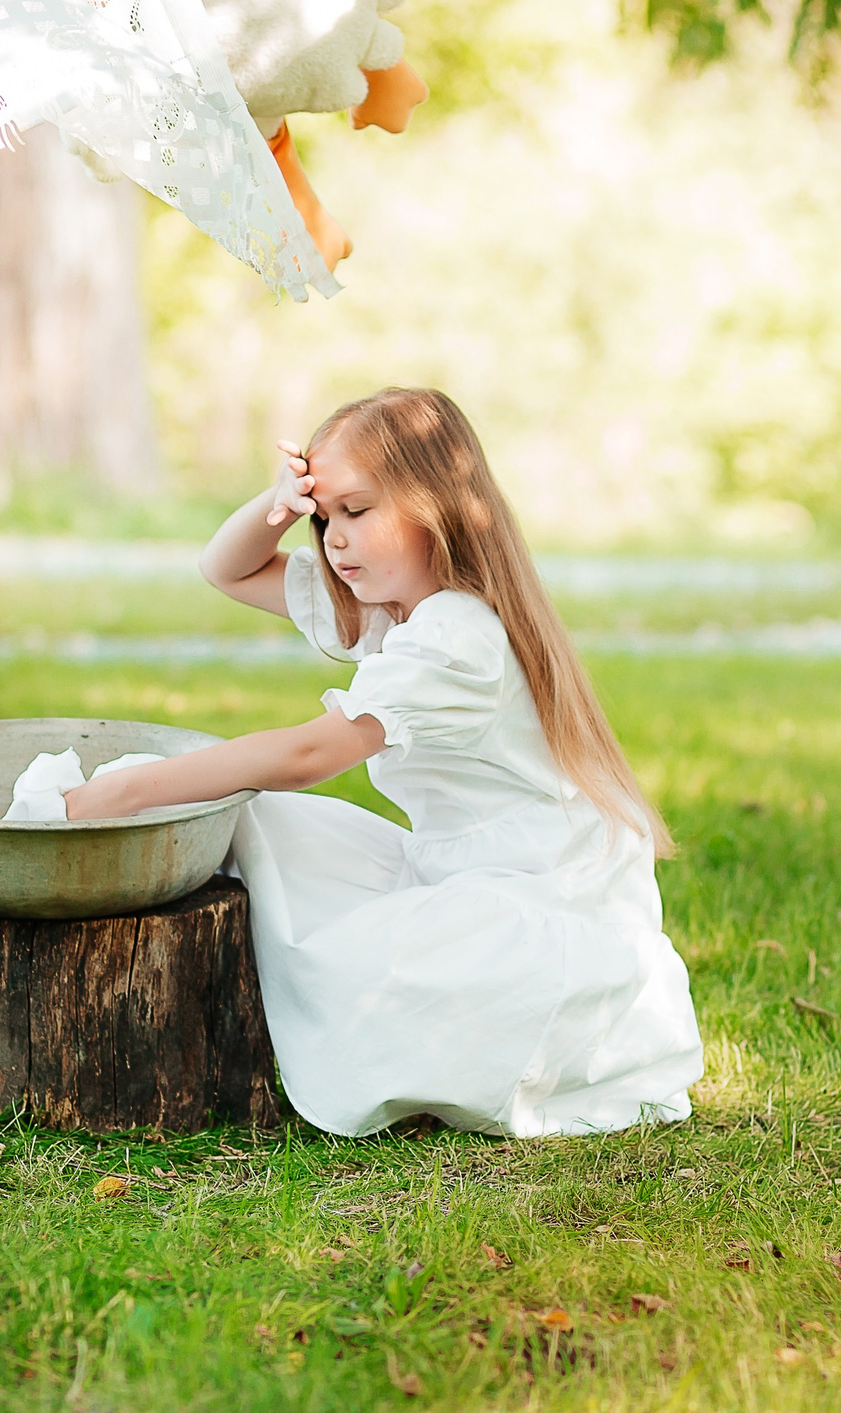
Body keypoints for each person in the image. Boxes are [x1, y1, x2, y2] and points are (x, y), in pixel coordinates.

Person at [66, 387, 702, 1137]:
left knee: (357, 967)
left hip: (538, 897)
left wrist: (131, 788)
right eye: (323, 517)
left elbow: (310, 753)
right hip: (449, 869)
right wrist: (278, 501)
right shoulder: (388, 610)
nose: (333, 539)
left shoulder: (457, 636)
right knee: (253, 823)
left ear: (434, 505)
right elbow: (225, 570)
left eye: (358, 511)